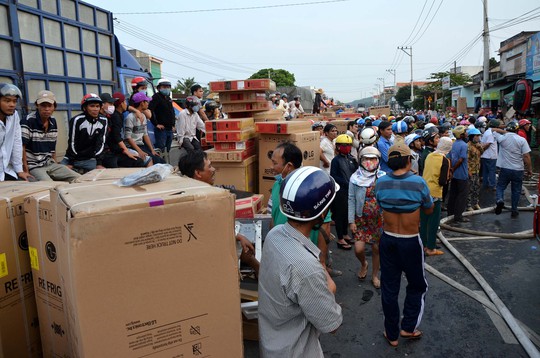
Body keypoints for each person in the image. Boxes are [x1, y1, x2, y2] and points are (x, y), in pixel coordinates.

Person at [258, 166, 343, 357]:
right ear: (321, 214)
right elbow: (332, 325)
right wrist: (329, 285)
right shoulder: (306, 268)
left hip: (272, 344)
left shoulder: (274, 235)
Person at [375, 141, 434, 347]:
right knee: (418, 285)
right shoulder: (418, 182)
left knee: (389, 287)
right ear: (409, 160)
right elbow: (428, 209)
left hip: (388, 239)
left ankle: (391, 335)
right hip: (410, 242)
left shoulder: (380, 183)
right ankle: (408, 328)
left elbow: (381, 205)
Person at [177, 150, 259, 273]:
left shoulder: (196, 193)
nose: (214, 169)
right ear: (198, 173)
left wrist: (237, 237)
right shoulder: (205, 202)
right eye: (209, 166)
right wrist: (256, 265)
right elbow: (216, 235)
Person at [269, 141, 337, 276]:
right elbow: (273, 215)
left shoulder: (311, 188)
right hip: (281, 251)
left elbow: (325, 226)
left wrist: (322, 262)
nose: (271, 167)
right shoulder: (278, 184)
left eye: (275, 163)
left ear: (288, 166)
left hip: (305, 256)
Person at [20, 90, 80, 181]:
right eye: (43, 106)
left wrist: (56, 164)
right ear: (37, 106)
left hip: (49, 163)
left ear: (54, 107)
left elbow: (52, 147)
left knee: (79, 178)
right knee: (50, 187)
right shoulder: (28, 121)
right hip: (34, 166)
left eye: (49, 106)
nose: (47, 109)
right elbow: (22, 147)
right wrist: (25, 170)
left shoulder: (53, 121)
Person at [348, 146, 385, 288]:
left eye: (373, 159)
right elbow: (351, 199)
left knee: (377, 249)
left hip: (378, 220)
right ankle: (364, 263)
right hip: (360, 219)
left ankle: (375, 276)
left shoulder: (383, 177)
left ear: (378, 160)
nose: (369, 161)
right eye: (366, 159)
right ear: (360, 160)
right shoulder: (355, 178)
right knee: (358, 249)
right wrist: (351, 221)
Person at [421, 137, 453, 256]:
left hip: (423, 191)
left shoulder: (430, 156)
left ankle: (423, 245)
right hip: (435, 193)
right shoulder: (444, 160)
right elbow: (442, 181)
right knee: (434, 222)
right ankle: (431, 248)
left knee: (424, 220)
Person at [493, 121, 532, 218]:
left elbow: (492, 130)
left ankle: (500, 200)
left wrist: (505, 130)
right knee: (516, 190)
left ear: (507, 129)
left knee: (500, 187)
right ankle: (514, 210)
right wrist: (529, 169)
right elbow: (526, 156)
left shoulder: (502, 138)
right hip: (518, 170)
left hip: (505, 168)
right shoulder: (522, 140)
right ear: (517, 130)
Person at [62, 93, 108, 173]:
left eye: (97, 106)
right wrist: (71, 162)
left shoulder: (104, 120)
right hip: (72, 159)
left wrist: (99, 163)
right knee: (60, 173)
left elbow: (101, 143)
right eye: (92, 106)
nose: (95, 109)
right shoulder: (77, 120)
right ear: (84, 108)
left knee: (102, 174)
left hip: (89, 160)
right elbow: (72, 142)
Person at [102, 92, 146, 169]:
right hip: (110, 152)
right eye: (110, 103)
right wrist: (126, 151)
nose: (112, 106)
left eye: (112, 103)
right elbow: (117, 137)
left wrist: (136, 111)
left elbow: (127, 107)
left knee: (140, 160)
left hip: (116, 150)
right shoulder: (115, 117)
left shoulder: (117, 113)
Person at [0, 83, 33, 181]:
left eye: (14, 101)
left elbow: (17, 141)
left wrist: (19, 170)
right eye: (7, 101)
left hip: (6, 170)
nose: (12, 105)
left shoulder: (14, 116)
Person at [330, 134, 358, 250]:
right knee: (339, 215)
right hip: (340, 192)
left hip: (350, 191)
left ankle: (346, 234)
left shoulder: (352, 159)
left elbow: (357, 172)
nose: (346, 147)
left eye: (348, 145)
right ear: (338, 147)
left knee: (348, 213)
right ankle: (340, 238)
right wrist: (347, 183)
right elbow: (334, 175)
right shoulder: (336, 160)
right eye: (344, 145)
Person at [124, 92, 164, 165]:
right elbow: (128, 138)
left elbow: (145, 135)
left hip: (141, 145)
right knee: (151, 160)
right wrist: (139, 151)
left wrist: (152, 150)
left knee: (160, 161)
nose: (148, 104)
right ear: (142, 103)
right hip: (132, 146)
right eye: (147, 102)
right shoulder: (130, 117)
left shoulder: (143, 116)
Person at [447, 125, 469, 223]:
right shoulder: (464, 145)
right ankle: (458, 216)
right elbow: (461, 159)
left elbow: (449, 157)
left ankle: (450, 213)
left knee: (453, 194)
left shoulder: (454, 144)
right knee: (462, 195)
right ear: (462, 134)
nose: (467, 134)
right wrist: (453, 168)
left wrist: (451, 169)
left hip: (455, 175)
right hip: (462, 175)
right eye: (465, 132)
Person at [149, 78, 176, 153]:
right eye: (164, 87)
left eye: (168, 87)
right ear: (158, 88)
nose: (166, 89)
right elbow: (150, 110)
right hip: (161, 129)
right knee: (161, 149)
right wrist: (156, 124)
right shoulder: (155, 97)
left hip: (169, 129)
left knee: (168, 150)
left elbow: (172, 112)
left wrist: (173, 125)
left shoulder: (168, 98)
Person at [466, 128, 484, 211]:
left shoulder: (478, 145)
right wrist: (468, 170)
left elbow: (481, 153)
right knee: (469, 188)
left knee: (477, 187)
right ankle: (468, 205)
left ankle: (476, 203)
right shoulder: (468, 146)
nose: (478, 137)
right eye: (476, 136)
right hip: (471, 171)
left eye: (479, 136)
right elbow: (466, 160)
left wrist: (479, 147)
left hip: (477, 170)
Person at [481, 119, 500, 191]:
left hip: (486, 155)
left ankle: (485, 184)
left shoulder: (488, 132)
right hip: (490, 156)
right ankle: (492, 185)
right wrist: (482, 150)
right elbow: (488, 144)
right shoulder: (490, 133)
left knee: (485, 171)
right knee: (492, 171)